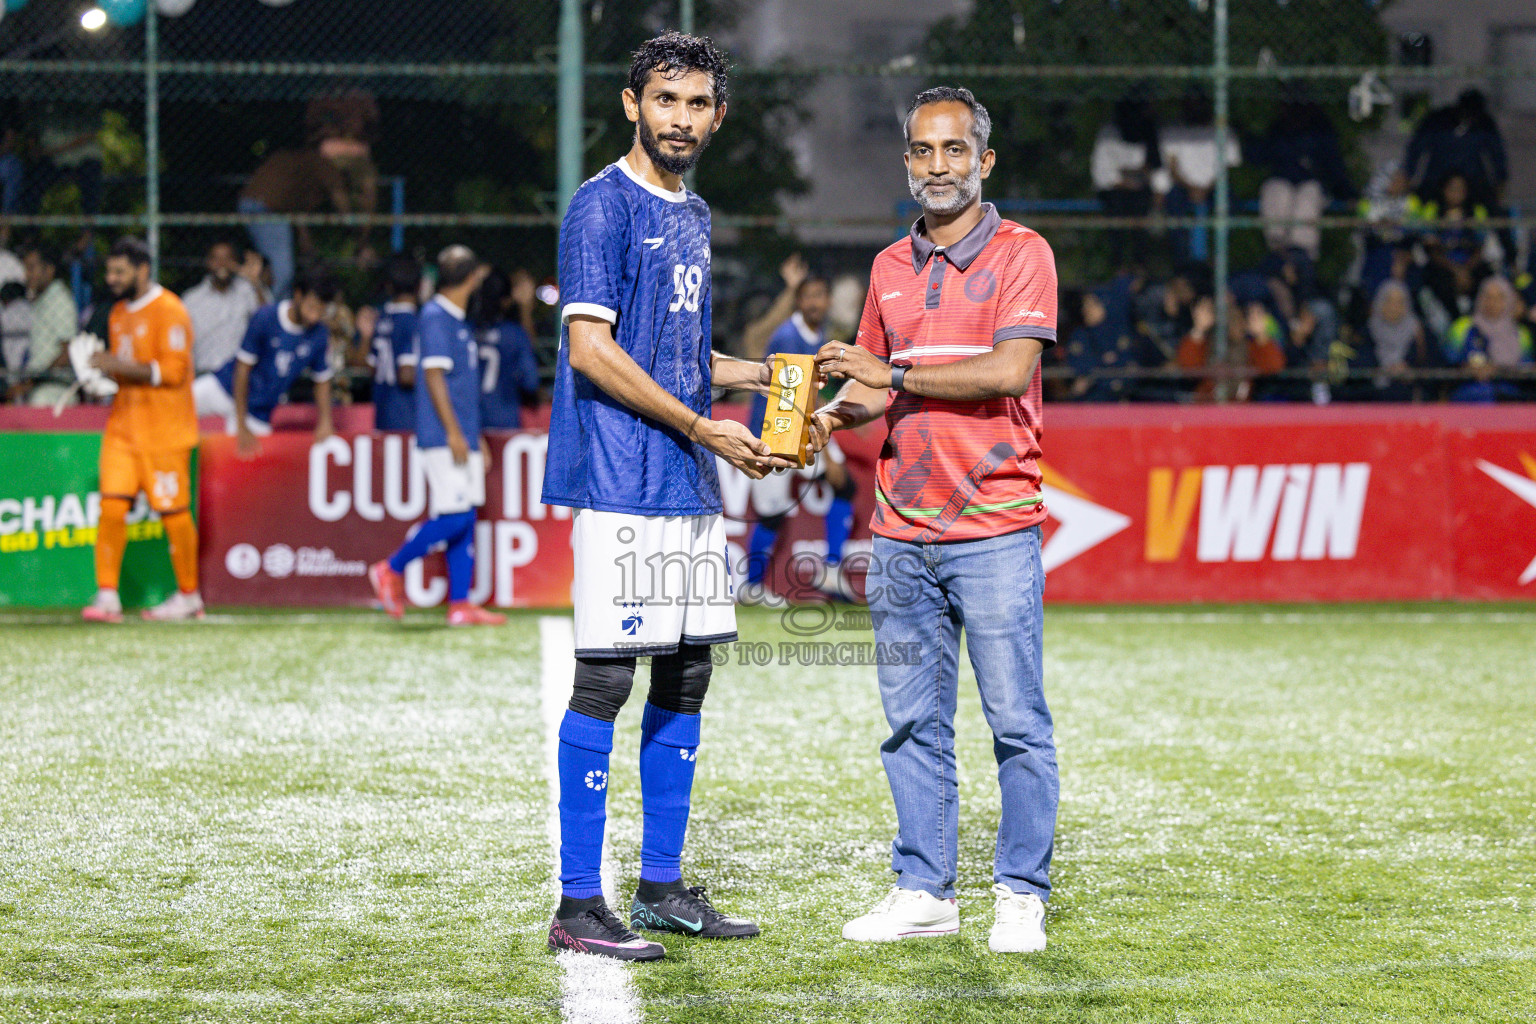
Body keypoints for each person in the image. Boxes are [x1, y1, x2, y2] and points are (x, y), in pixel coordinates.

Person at [540, 31, 789, 962]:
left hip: (685, 480)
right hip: (621, 478)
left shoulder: (696, 212)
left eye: (697, 104)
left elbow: (679, 357)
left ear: (717, 116)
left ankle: (661, 888)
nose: (680, 119)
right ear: (631, 104)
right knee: (607, 678)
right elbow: (591, 350)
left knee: (687, 675)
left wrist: (769, 377)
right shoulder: (600, 205)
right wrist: (700, 425)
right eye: (665, 99)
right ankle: (577, 904)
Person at [811, 86, 1058, 954]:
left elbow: (1005, 371)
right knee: (912, 725)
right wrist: (822, 419)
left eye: (955, 150)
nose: (938, 165)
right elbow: (871, 388)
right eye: (922, 150)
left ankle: (1021, 893)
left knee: (1016, 724)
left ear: (984, 161)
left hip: (995, 529)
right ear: (907, 161)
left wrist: (886, 374)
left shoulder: (1024, 252)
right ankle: (925, 890)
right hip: (900, 533)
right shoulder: (888, 266)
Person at [367, 246, 506, 627]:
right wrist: (455, 433)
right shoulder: (435, 317)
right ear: (472, 278)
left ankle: (460, 604)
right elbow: (433, 377)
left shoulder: (453, 318)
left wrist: (473, 437)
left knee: (466, 516)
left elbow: (458, 387)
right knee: (456, 515)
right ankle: (391, 567)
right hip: (443, 436)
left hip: (461, 434)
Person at [80, 238, 202, 623]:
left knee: (174, 514)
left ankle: (189, 597)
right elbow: (126, 370)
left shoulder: (170, 309)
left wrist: (114, 364)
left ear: (142, 269)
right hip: (123, 428)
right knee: (111, 507)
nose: (112, 279)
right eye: (109, 271)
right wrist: (99, 378)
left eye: (120, 271)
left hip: (164, 430)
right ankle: (107, 596)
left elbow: (174, 372)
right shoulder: (117, 313)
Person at [739, 258, 856, 600]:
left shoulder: (818, 334)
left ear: (828, 300)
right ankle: (751, 588)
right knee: (772, 515)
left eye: (820, 295)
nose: (815, 302)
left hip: (798, 429)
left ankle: (831, 571)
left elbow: (812, 393)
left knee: (844, 485)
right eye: (808, 296)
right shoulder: (787, 336)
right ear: (799, 301)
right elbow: (795, 397)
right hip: (774, 433)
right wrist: (828, 450)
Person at [191, 265, 337, 452]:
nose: (314, 316)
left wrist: (325, 421)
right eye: (311, 307)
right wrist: (241, 424)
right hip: (225, 385)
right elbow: (242, 369)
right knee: (177, 402)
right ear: (298, 295)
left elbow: (322, 380)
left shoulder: (319, 334)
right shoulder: (266, 317)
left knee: (248, 457)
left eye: (321, 311)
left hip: (258, 411)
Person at [1249, 92, 1355, 260]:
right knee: (1276, 190)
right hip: (1282, 183)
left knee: (1308, 195)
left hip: (1313, 187)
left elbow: (1334, 166)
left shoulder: (1321, 131)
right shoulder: (1279, 129)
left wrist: (1347, 193)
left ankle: (1301, 258)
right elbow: (1260, 155)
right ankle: (1279, 255)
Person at [238, 146, 350, 299]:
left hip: (253, 204)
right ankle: (276, 308)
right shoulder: (323, 165)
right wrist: (354, 226)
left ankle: (271, 300)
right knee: (283, 270)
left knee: (272, 266)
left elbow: (298, 213)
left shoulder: (300, 168)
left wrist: (307, 244)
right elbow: (340, 198)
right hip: (267, 209)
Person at [1444, 276, 1532, 402]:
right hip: (1468, 396)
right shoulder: (1462, 327)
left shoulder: (1521, 333)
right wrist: (1467, 368)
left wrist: (1498, 369)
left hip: (1509, 397)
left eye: (1499, 298)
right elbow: (1446, 362)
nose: (1492, 303)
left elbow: (1527, 368)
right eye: (1488, 297)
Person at [474, 267, 541, 430]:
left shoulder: (468, 331)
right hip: (504, 419)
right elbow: (530, 382)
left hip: (471, 420)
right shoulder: (515, 334)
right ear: (507, 300)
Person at [183, 240, 262, 375]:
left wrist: (255, 282)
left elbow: (268, 319)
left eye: (227, 258)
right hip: (203, 373)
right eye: (216, 258)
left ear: (235, 262)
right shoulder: (191, 299)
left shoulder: (247, 291)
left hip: (237, 376)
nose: (222, 263)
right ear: (208, 262)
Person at [18, 244, 78, 408]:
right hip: (40, 386)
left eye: (31, 268)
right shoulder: (43, 299)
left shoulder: (59, 300)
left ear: (49, 270)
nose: (26, 275)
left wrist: (33, 382)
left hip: (54, 391)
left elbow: (67, 352)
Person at [369, 255, 421, 431]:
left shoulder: (382, 318)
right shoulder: (413, 322)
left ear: (389, 286)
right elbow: (406, 375)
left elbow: (372, 367)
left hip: (382, 413)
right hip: (406, 416)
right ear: (419, 286)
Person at [1362, 279, 1426, 400]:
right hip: (1374, 392)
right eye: (1389, 301)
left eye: (1400, 302)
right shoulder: (1369, 329)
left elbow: (1430, 364)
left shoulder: (1417, 330)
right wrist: (1386, 370)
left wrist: (1408, 372)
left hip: (1409, 391)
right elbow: (1361, 362)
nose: (1394, 307)